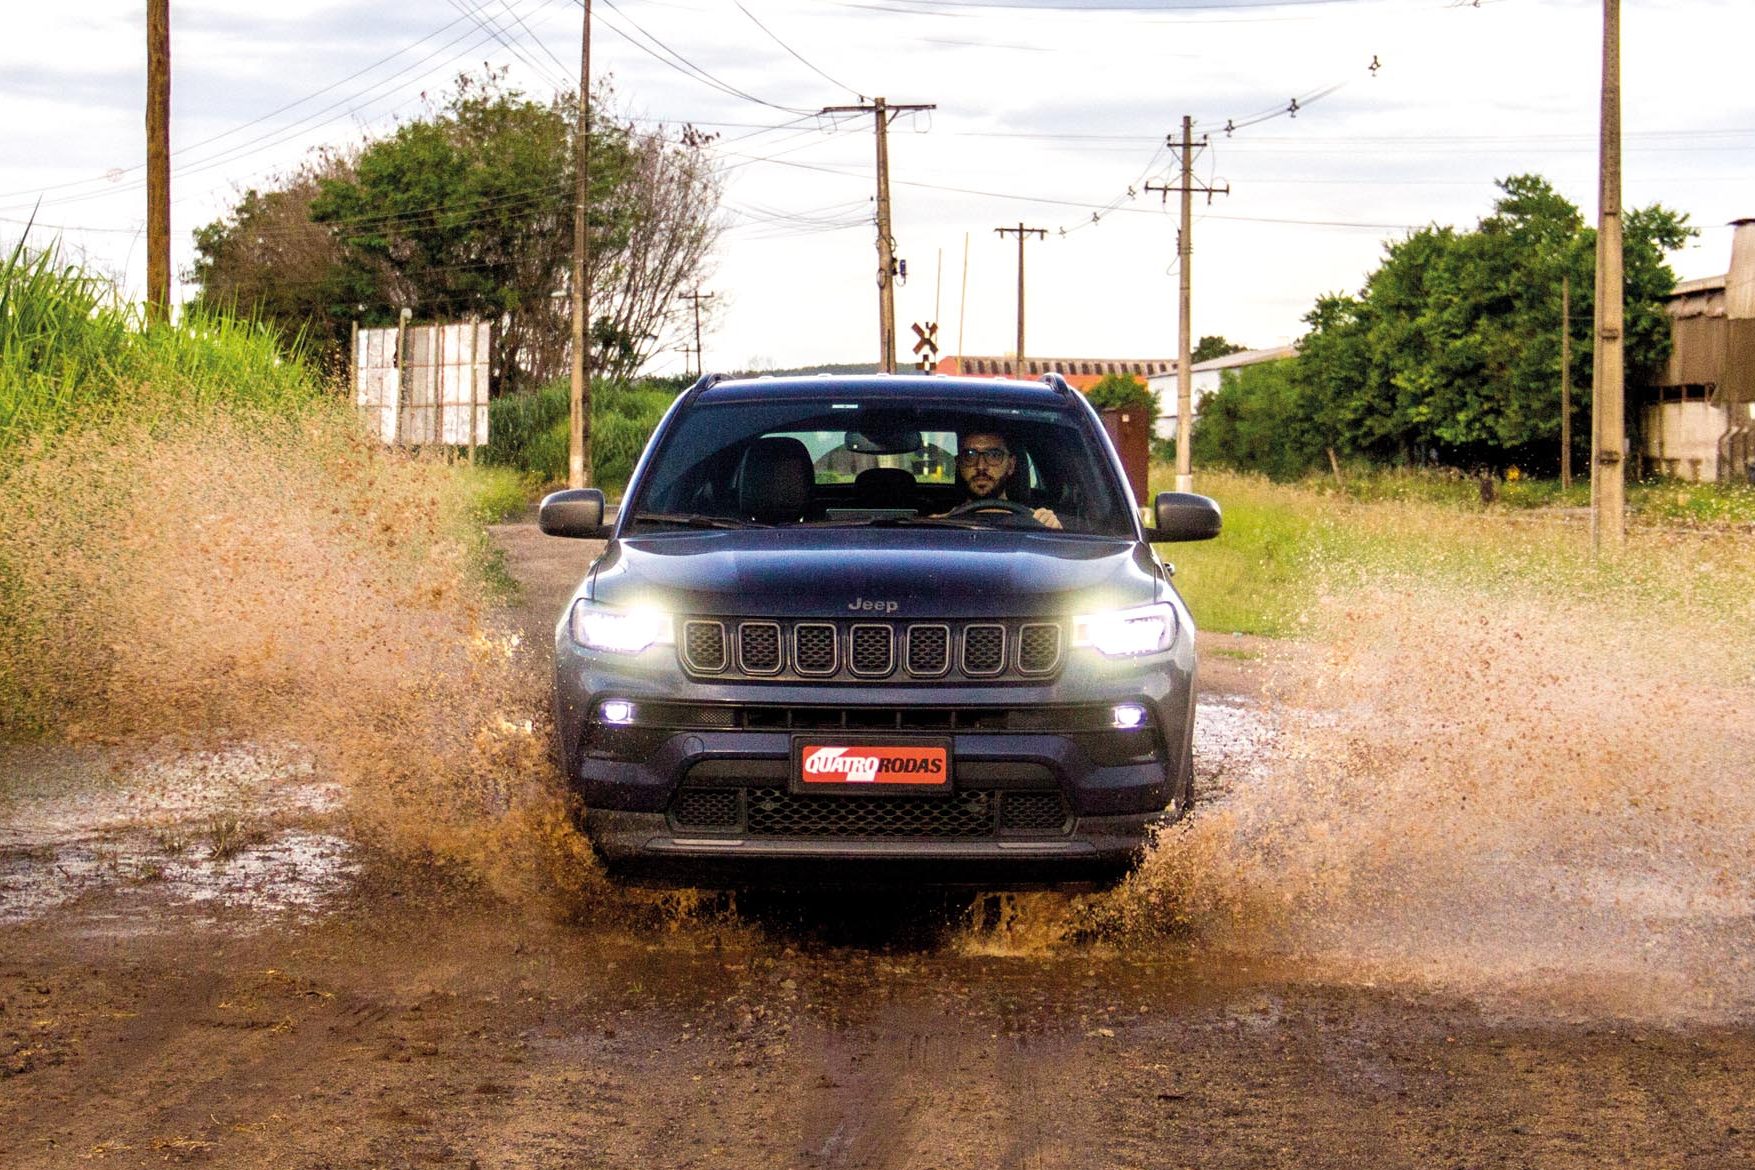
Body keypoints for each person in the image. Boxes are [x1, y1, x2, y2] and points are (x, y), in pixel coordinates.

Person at [949, 431, 1061, 528]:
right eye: (970, 455)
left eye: (994, 455)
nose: (981, 466)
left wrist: (1053, 531)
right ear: (959, 464)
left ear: (1011, 465)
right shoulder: (943, 523)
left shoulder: (1037, 522)